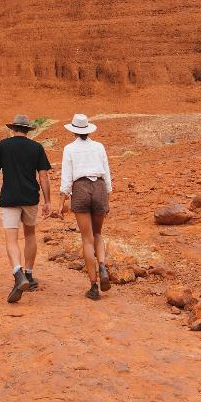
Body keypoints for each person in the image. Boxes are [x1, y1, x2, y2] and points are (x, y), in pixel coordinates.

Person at [0, 114, 52, 303]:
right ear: (27, 130)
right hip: (31, 198)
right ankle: (29, 275)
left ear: (13, 128)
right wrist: (48, 201)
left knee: (11, 239)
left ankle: (18, 273)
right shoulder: (36, 147)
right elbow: (44, 176)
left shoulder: (3, 146)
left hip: (9, 199)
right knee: (30, 235)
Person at [58, 113, 113, 300]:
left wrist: (61, 202)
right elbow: (106, 173)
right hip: (99, 188)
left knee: (86, 239)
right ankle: (103, 265)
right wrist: (108, 197)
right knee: (98, 234)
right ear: (87, 130)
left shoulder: (69, 149)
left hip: (80, 188)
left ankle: (93, 286)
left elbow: (66, 178)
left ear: (73, 131)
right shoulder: (99, 147)